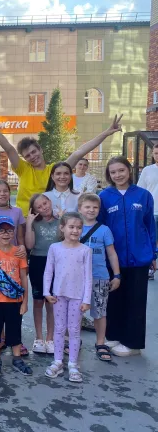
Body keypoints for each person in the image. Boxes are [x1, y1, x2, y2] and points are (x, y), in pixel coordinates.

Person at [0, 109, 123, 216]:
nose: (32, 156)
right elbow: (8, 147)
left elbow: (79, 152)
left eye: (34, 152)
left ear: (40, 150)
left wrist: (106, 133)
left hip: (48, 219)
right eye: (27, 155)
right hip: (25, 219)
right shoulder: (23, 168)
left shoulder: (55, 170)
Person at [98, 157, 155, 357]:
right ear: (109, 175)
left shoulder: (143, 195)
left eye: (121, 170)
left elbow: (150, 225)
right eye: (113, 172)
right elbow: (100, 226)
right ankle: (114, 336)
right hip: (114, 258)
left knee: (136, 301)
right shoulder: (104, 197)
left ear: (129, 170)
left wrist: (153, 254)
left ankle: (133, 344)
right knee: (114, 299)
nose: (118, 175)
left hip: (139, 257)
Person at [43, 212, 92, 383]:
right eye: (71, 227)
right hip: (59, 295)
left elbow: (88, 276)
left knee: (74, 330)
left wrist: (86, 300)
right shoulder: (54, 248)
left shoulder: (85, 250)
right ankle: (57, 361)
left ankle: (72, 363)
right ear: (62, 228)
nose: (75, 230)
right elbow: (48, 271)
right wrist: (47, 292)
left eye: (79, 227)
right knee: (59, 328)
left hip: (77, 297)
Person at [0, 216, 31, 378]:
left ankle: (17, 358)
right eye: (2, 231)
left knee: (14, 330)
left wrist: (25, 302)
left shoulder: (19, 252)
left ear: (13, 233)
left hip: (15, 300)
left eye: (9, 231)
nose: (5, 234)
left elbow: (24, 278)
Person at [78, 194, 121, 362]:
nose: (91, 210)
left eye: (95, 207)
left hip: (99, 276)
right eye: (87, 207)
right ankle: (72, 339)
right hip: (77, 278)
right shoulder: (74, 228)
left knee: (100, 312)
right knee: (75, 311)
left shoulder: (104, 230)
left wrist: (116, 275)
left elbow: (111, 253)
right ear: (80, 208)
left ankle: (101, 342)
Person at [25, 193, 59, 354]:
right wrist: (29, 224)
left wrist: (63, 219)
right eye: (39, 207)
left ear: (50, 201)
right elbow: (29, 245)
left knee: (51, 302)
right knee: (38, 301)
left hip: (57, 263)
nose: (44, 207)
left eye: (45, 203)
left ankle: (51, 338)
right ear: (35, 210)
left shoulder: (60, 220)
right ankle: (39, 337)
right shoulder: (34, 223)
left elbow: (66, 239)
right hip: (38, 262)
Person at [136, 142, 158, 280]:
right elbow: (140, 191)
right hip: (152, 211)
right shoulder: (147, 170)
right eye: (156, 153)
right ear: (153, 154)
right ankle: (150, 268)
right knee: (151, 241)